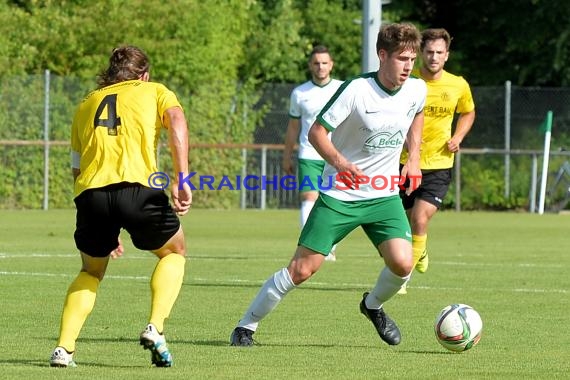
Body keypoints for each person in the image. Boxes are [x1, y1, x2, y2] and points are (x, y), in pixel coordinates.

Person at [230, 22, 426, 347]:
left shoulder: (417, 89)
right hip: (340, 195)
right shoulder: (356, 90)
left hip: (383, 195)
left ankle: (372, 306)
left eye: (411, 59)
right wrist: (339, 162)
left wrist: (415, 156)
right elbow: (316, 132)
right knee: (302, 270)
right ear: (382, 55)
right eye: (401, 58)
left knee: (404, 262)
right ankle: (246, 325)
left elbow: (416, 113)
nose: (408, 66)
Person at [49, 45, 192, 368]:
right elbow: (176, 119)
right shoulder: (154, 90)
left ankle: (63, 349)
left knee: (90, 270)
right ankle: (155, 328)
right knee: (174, 252)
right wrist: (182, 177)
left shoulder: (86, 103)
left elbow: (77, 167)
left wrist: (102, 219)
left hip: (91, 195)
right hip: (138, 187)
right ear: (143, 75)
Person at [398, 28, 475, 294]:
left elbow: (468, 111)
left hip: (440, 163)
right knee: (408, 222)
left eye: (438, 53)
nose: (433, 57)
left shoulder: (457, 84)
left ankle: (402, 277)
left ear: (447, 55)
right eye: (429, 52)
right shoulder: (407, 81)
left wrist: (459, 136)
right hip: (405, 162)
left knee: (420, 218)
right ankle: (421, 249)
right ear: (421, 53)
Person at [282, 45, 343, 261]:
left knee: (334, 200)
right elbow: (293, 128)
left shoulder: (342, 88)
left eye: (324, 63)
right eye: (316, 63)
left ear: (331, 65)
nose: (320, 67)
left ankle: (329, 246)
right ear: (310, 65)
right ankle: (311, 246)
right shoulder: (299, 93)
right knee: (309, 197)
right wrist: (287, 156)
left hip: (336, 156)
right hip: (308, 154)